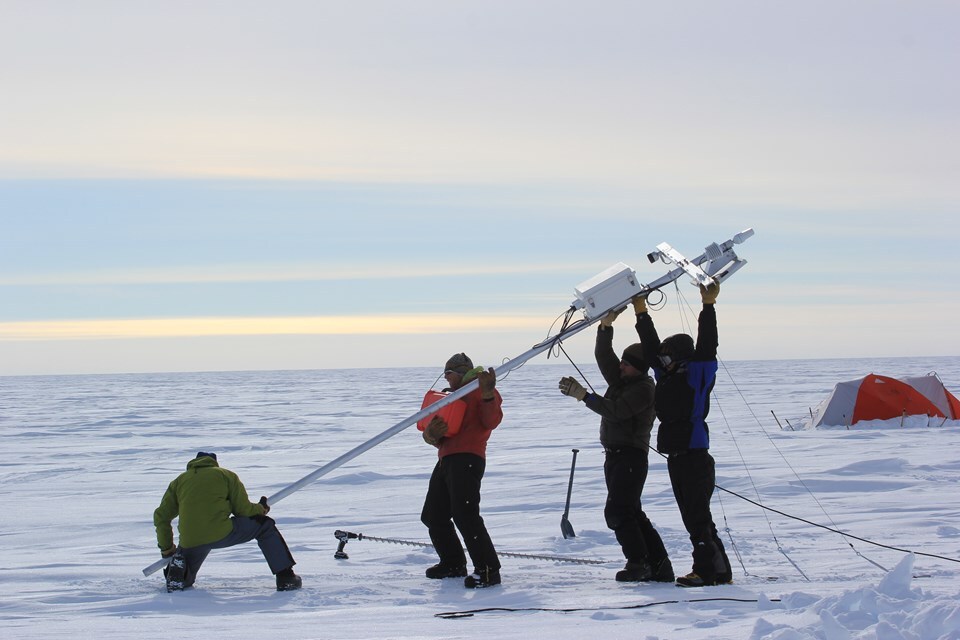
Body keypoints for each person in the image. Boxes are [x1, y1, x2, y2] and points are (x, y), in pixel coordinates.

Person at [558, 308, 674, 583]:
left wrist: (584, 396)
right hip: (615, 457)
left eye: (626, 364)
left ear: (639, 367)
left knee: (618, 512)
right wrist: (605, 327)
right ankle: (658, 565)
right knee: (632, 512)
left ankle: (638, 563)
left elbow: (617, 411)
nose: (620, 366)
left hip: (630, 457)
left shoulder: (644, 388)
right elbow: (604, 357)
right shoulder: (623, 379)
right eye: (621, 362)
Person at [632, 282, 733, 587]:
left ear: (680, 356)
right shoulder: (667, 374)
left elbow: (708, 344)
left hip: (694, 455)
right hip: (677, 456)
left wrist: (708, 305)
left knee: (696, 518)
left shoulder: (698, 373)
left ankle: (705, 571)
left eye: (667, 356)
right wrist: (641, 312)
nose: (660, 362)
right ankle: (720, 570)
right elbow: (650, 349)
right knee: (697, 516)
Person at [153, 451, 302, 592]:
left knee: (186, 571)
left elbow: (161, 517)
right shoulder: (225, 475)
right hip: (221, 531)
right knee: (265, 526)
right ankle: (286, 577)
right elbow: (242, 510)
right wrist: (260, 509)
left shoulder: (179, 481)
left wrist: (167, 549)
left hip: (190, 539)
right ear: (214, 463)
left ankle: (179, 571)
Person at [420, 352, 504, 588]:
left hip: (468, 458)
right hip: (447, 458)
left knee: (465, 515)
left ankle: (488, 570)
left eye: (449, 374)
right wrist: (430, 437)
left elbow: (492, 421)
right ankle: (453, 563)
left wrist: (488, 395)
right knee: (433, 515)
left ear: (460, 373)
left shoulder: (480, 389)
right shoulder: (451, 397)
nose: (446, 379)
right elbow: (444, 434)